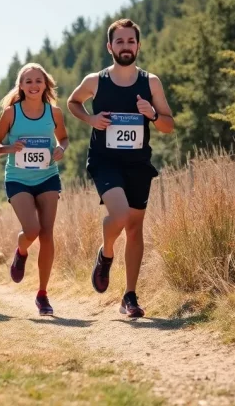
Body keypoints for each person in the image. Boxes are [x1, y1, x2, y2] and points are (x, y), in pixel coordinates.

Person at [67, 18, 174, 318]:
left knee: (135, 228)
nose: (125, 46)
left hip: (138, 162)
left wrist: (152, 113)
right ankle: (106, 253)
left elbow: (168, 125)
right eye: (120, 41)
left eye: (130, 41)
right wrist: (90, 119)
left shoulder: (150, 82)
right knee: (121, 215)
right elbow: (73, 102)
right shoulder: (96, 80)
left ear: (138, 45)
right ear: (109, 46)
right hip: (105, 160)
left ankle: (129, 295)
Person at [0, 63, 69, 315]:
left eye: (38, 81)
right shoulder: (11, 113)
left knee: (47, 234)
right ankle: (21, 250)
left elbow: (64, 138)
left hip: (47, 176)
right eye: (28, 81)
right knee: (32, 230)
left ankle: (42, 294)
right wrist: (8, 149)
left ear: (45, 84)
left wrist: (61, 149)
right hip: (18, 179)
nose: (34, 85)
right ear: (21, 86)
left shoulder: (54, 113)